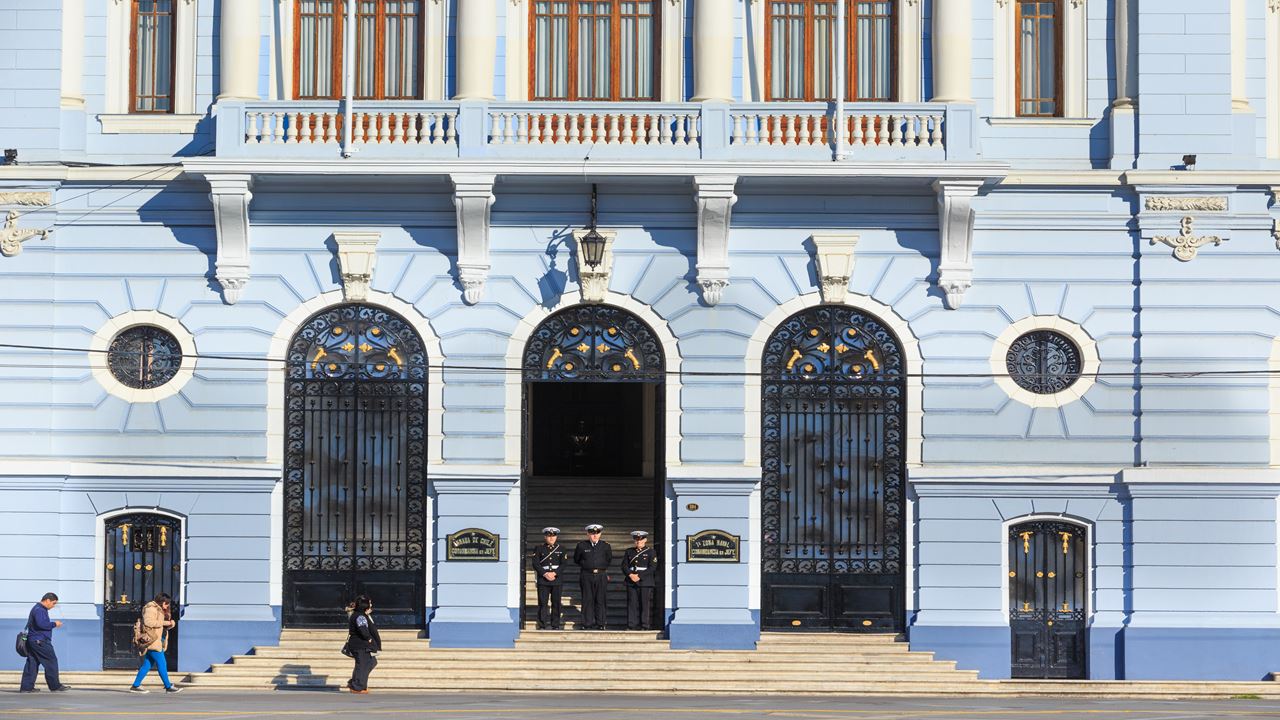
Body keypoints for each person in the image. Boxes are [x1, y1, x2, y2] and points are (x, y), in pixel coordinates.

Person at [130, 593, 182, 693]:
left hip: (158, 640)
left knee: (147, 665)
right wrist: (166, 623)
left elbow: (161, 626)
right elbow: (148, 623)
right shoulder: (151, 608)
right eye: (166, 603)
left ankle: (135, 685)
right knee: (162, 663)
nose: (167, 606)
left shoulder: (159, 609)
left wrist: (171, 624)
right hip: (153, 641)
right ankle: (168, 686)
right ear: (161, 601)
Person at [19, 592, 69, 693]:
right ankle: (55, 686)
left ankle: (26, 687)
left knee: (32, 662)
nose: (53, 606)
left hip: (34, 640)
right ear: (47, 600)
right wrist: (55, 624)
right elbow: (42, 624)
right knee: (51, 661)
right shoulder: (40, 610)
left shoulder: (37, 608)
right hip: (40, 641)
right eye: (53, 603)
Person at [572, 524, 611, 630]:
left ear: (600, 534)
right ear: (588, 534)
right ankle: (587, 623)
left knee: (600, 599)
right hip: (586, 575)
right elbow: (576, 559)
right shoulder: (581, 546)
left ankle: (601, 623)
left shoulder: (606, 546)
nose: (594, 535)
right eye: (592, 533)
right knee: (587, 599)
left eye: (597, 533)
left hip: (601, 575)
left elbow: (608, 560)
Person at [621, 530, 658, 631]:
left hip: (645, 581)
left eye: (641, 540)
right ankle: (631, 625)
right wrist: (630, 574)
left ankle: (644, 625)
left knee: (644, 604)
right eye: (636, 540)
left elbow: (652, 567)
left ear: (645, 540)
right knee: (631, 603)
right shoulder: (629, 551)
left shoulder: (651, 552)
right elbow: (624, 565)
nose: (638, 542)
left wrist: (639, 576)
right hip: (631, 580)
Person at [531, 527, 567, 630]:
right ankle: (542, 625)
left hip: (557, 579)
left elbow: (564, 564)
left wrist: (555, 573)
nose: (551, 538)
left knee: (556, 603)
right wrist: (544, 574)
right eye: (549, 536)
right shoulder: (539, 548)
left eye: (553, 536)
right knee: (543, 603)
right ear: (545, 537)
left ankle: (555, 625)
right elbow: (535, 563)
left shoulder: (561, 549)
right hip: (543, 580)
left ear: (556, 537)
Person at [346, 595, 381, 694]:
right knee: (362, 664)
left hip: (360, 645)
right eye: (369, 603)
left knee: (371, 662)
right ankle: (357, 686)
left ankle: (357, 683)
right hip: (360, 645)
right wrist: (368, 638)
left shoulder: (361, 615)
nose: (371, 605)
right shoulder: (360, 616)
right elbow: (363, 629)